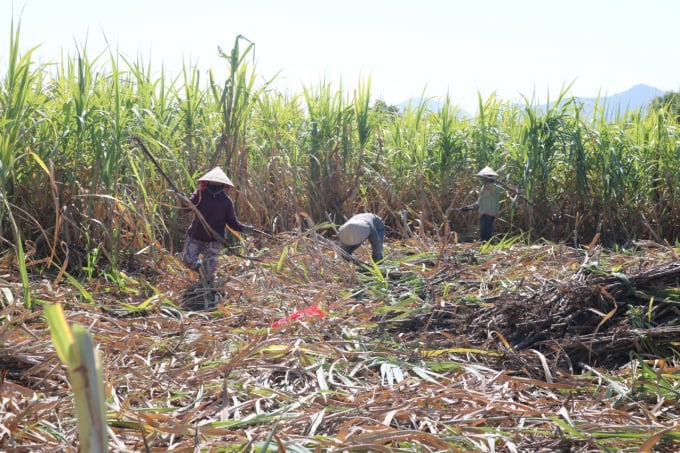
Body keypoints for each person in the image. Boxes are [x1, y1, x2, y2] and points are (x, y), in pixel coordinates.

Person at [181, 167, 254, 284]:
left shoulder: (226, 201)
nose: (215, 184)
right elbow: (186, 208)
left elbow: (233, 223)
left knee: (208, 277)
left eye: (218, 182)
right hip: (196, 235)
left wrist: (245, 228)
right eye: (213, 181)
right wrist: (183, 200)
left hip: (214, 240)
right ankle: (201, 268)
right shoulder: (200, 194)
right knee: (188, 261)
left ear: (223, 185)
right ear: (208, 182)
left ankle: (206, 292)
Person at [461, 166, 501, 242]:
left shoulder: (495, 187)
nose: (483, 179)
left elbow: (494, 189)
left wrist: (491, 181)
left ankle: (488, 246)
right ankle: (486, 246)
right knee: (483, 232)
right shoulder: (483, 187)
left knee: (486, 232)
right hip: (483, 212)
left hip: (490, 212)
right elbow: (479, 201)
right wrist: (470, 207)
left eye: (484, 178)